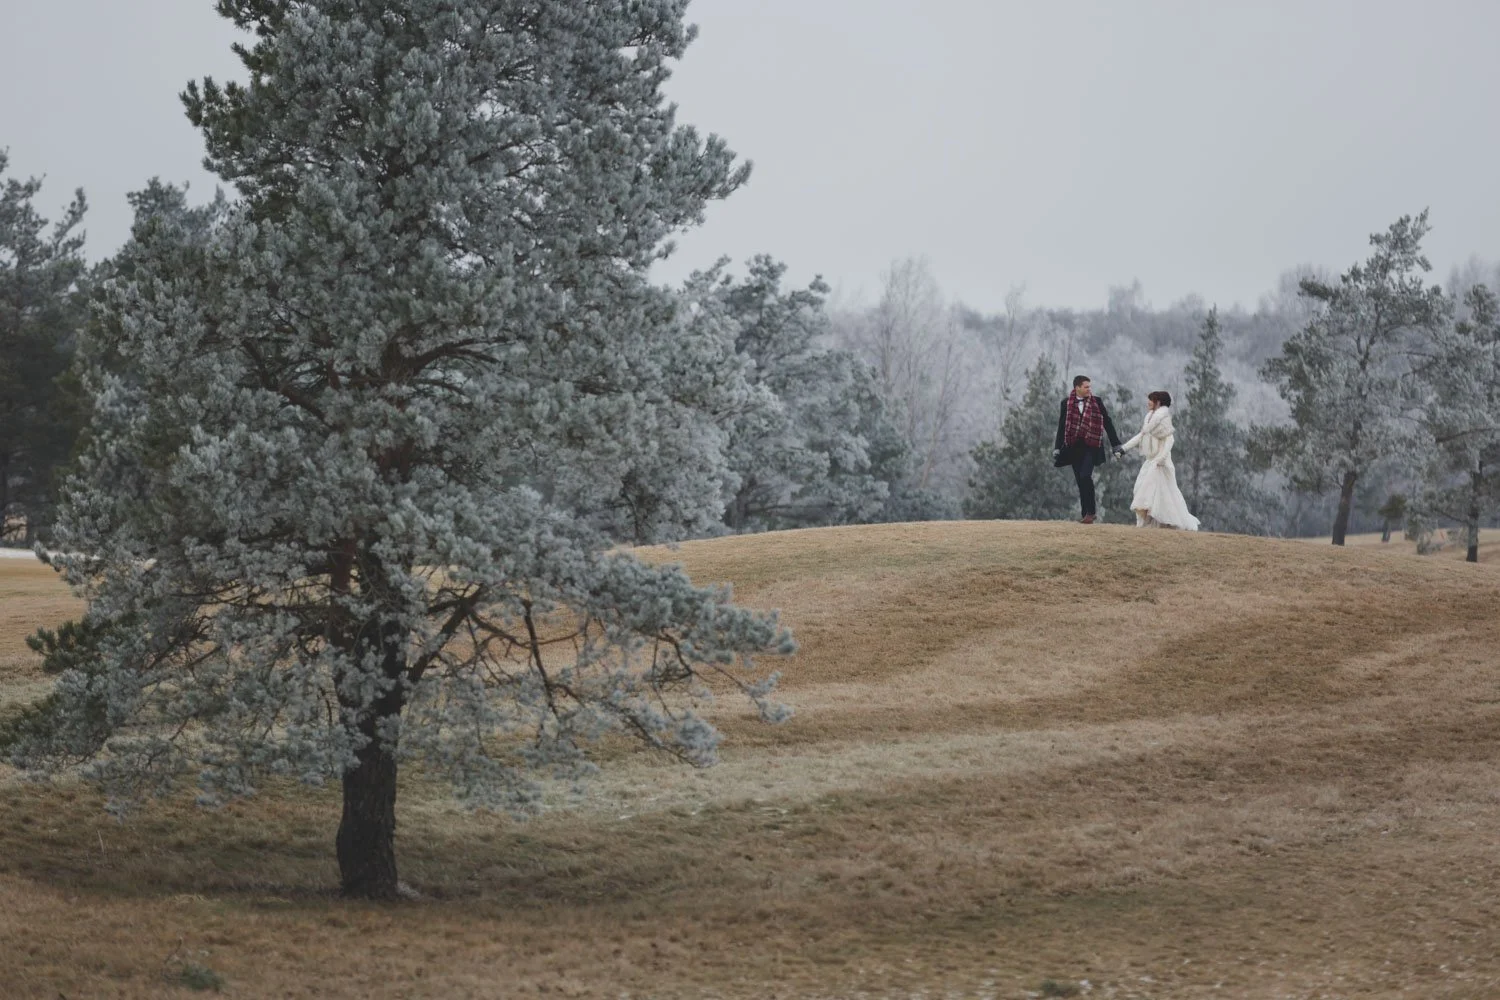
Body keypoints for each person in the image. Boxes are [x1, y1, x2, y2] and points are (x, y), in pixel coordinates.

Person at [1119, 390, 1200, 530]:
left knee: (1149, 492)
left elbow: (1170, 440)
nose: (1148, 402)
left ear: (1158, 402)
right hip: (1151, 460)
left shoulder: (1163, 419)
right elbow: (1142, 436)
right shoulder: (1150, 418)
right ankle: (1149, 523)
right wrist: (1124, 448)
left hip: (1160, 463)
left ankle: (1147, 523)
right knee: (1146, 490)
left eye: (1151, 400)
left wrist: (1161, 459)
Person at [1052, 375, 1123, 524]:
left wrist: (1116, 444)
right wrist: (1057, 448)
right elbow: (1061, 426)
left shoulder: (1097, 402)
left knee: (1085, 476)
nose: (1089, 389)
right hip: (1073, 447)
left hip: (1091, 446)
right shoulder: (1066, 403)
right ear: (1077, 388)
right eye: (1086, 387)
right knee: (1080, 480)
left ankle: (1091, 512)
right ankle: (1086, 515)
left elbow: (1107, 423)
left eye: (1090, 387)